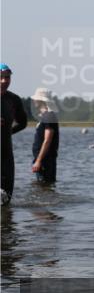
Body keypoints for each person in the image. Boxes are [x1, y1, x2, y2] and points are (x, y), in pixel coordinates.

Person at [1, 64, 28, 205]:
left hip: (6, 155)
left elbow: (23, 123)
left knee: (6, 198)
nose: (4, 81)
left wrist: (6, 132)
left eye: (7, 77)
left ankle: (6, 225)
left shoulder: (13, 99)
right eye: (1, 77)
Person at [30, 88, 59, 184]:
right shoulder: (45, 116)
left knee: (44, 186)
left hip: (45, 161)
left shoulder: (48, 116)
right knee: (44, 189)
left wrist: (38, 160)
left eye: (36, 98)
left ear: (41, 100)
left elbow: (47, 140)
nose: (34, 100)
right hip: (45, 160)